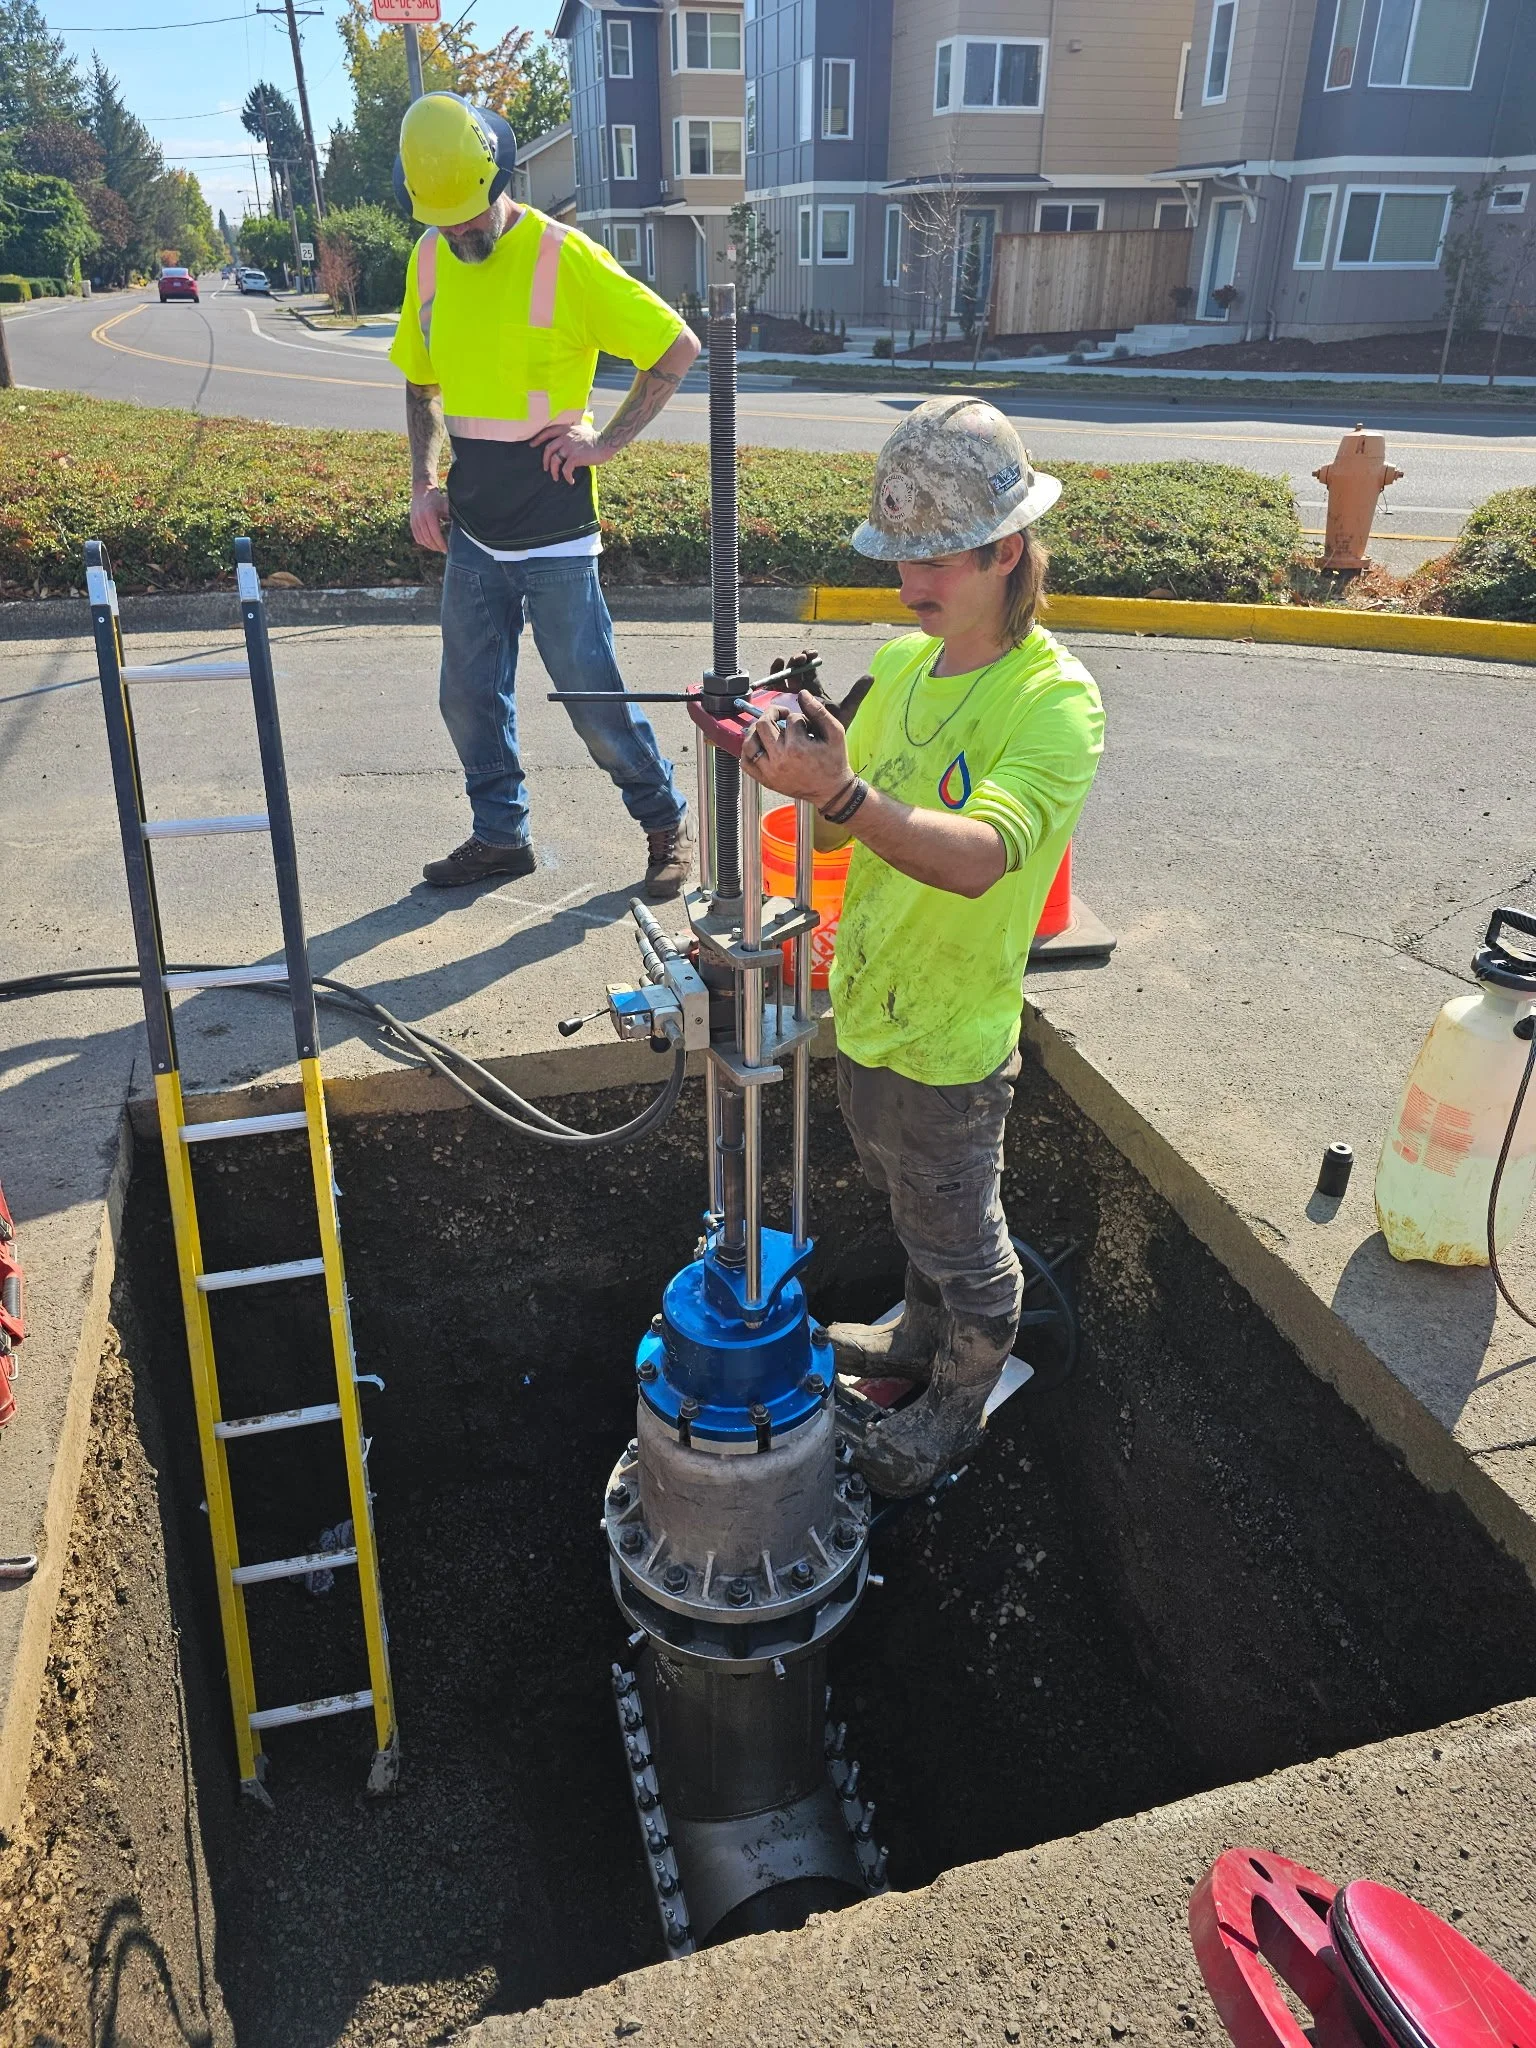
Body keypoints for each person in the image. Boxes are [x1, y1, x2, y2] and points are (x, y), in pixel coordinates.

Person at [740, 398, 1105, 1497]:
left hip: (952, 1035)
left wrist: (842, 789)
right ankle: (913, 1349)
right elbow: (845, 817)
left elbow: (982, 854)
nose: (908, 584)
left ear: (1006, 548)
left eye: (935, 558)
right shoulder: (904, 662)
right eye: (898, 559)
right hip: (874, 1005)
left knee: (961, 1237)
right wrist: (791, 764)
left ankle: (951, 1409)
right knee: (912, 1206)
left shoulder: (1053, 701)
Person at [389, 93, 699, 898]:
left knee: (593, 701)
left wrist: (606, 442)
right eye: (443, 223)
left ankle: (665, 822)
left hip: (556, 532)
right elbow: (421, 387)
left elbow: (676, 348)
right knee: (466, 698)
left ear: (501, 179)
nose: (458, 236)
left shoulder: (567, 258)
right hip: (475, 529)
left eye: (469, 218)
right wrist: (424, 483)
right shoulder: (426, 259)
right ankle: (500, 837)